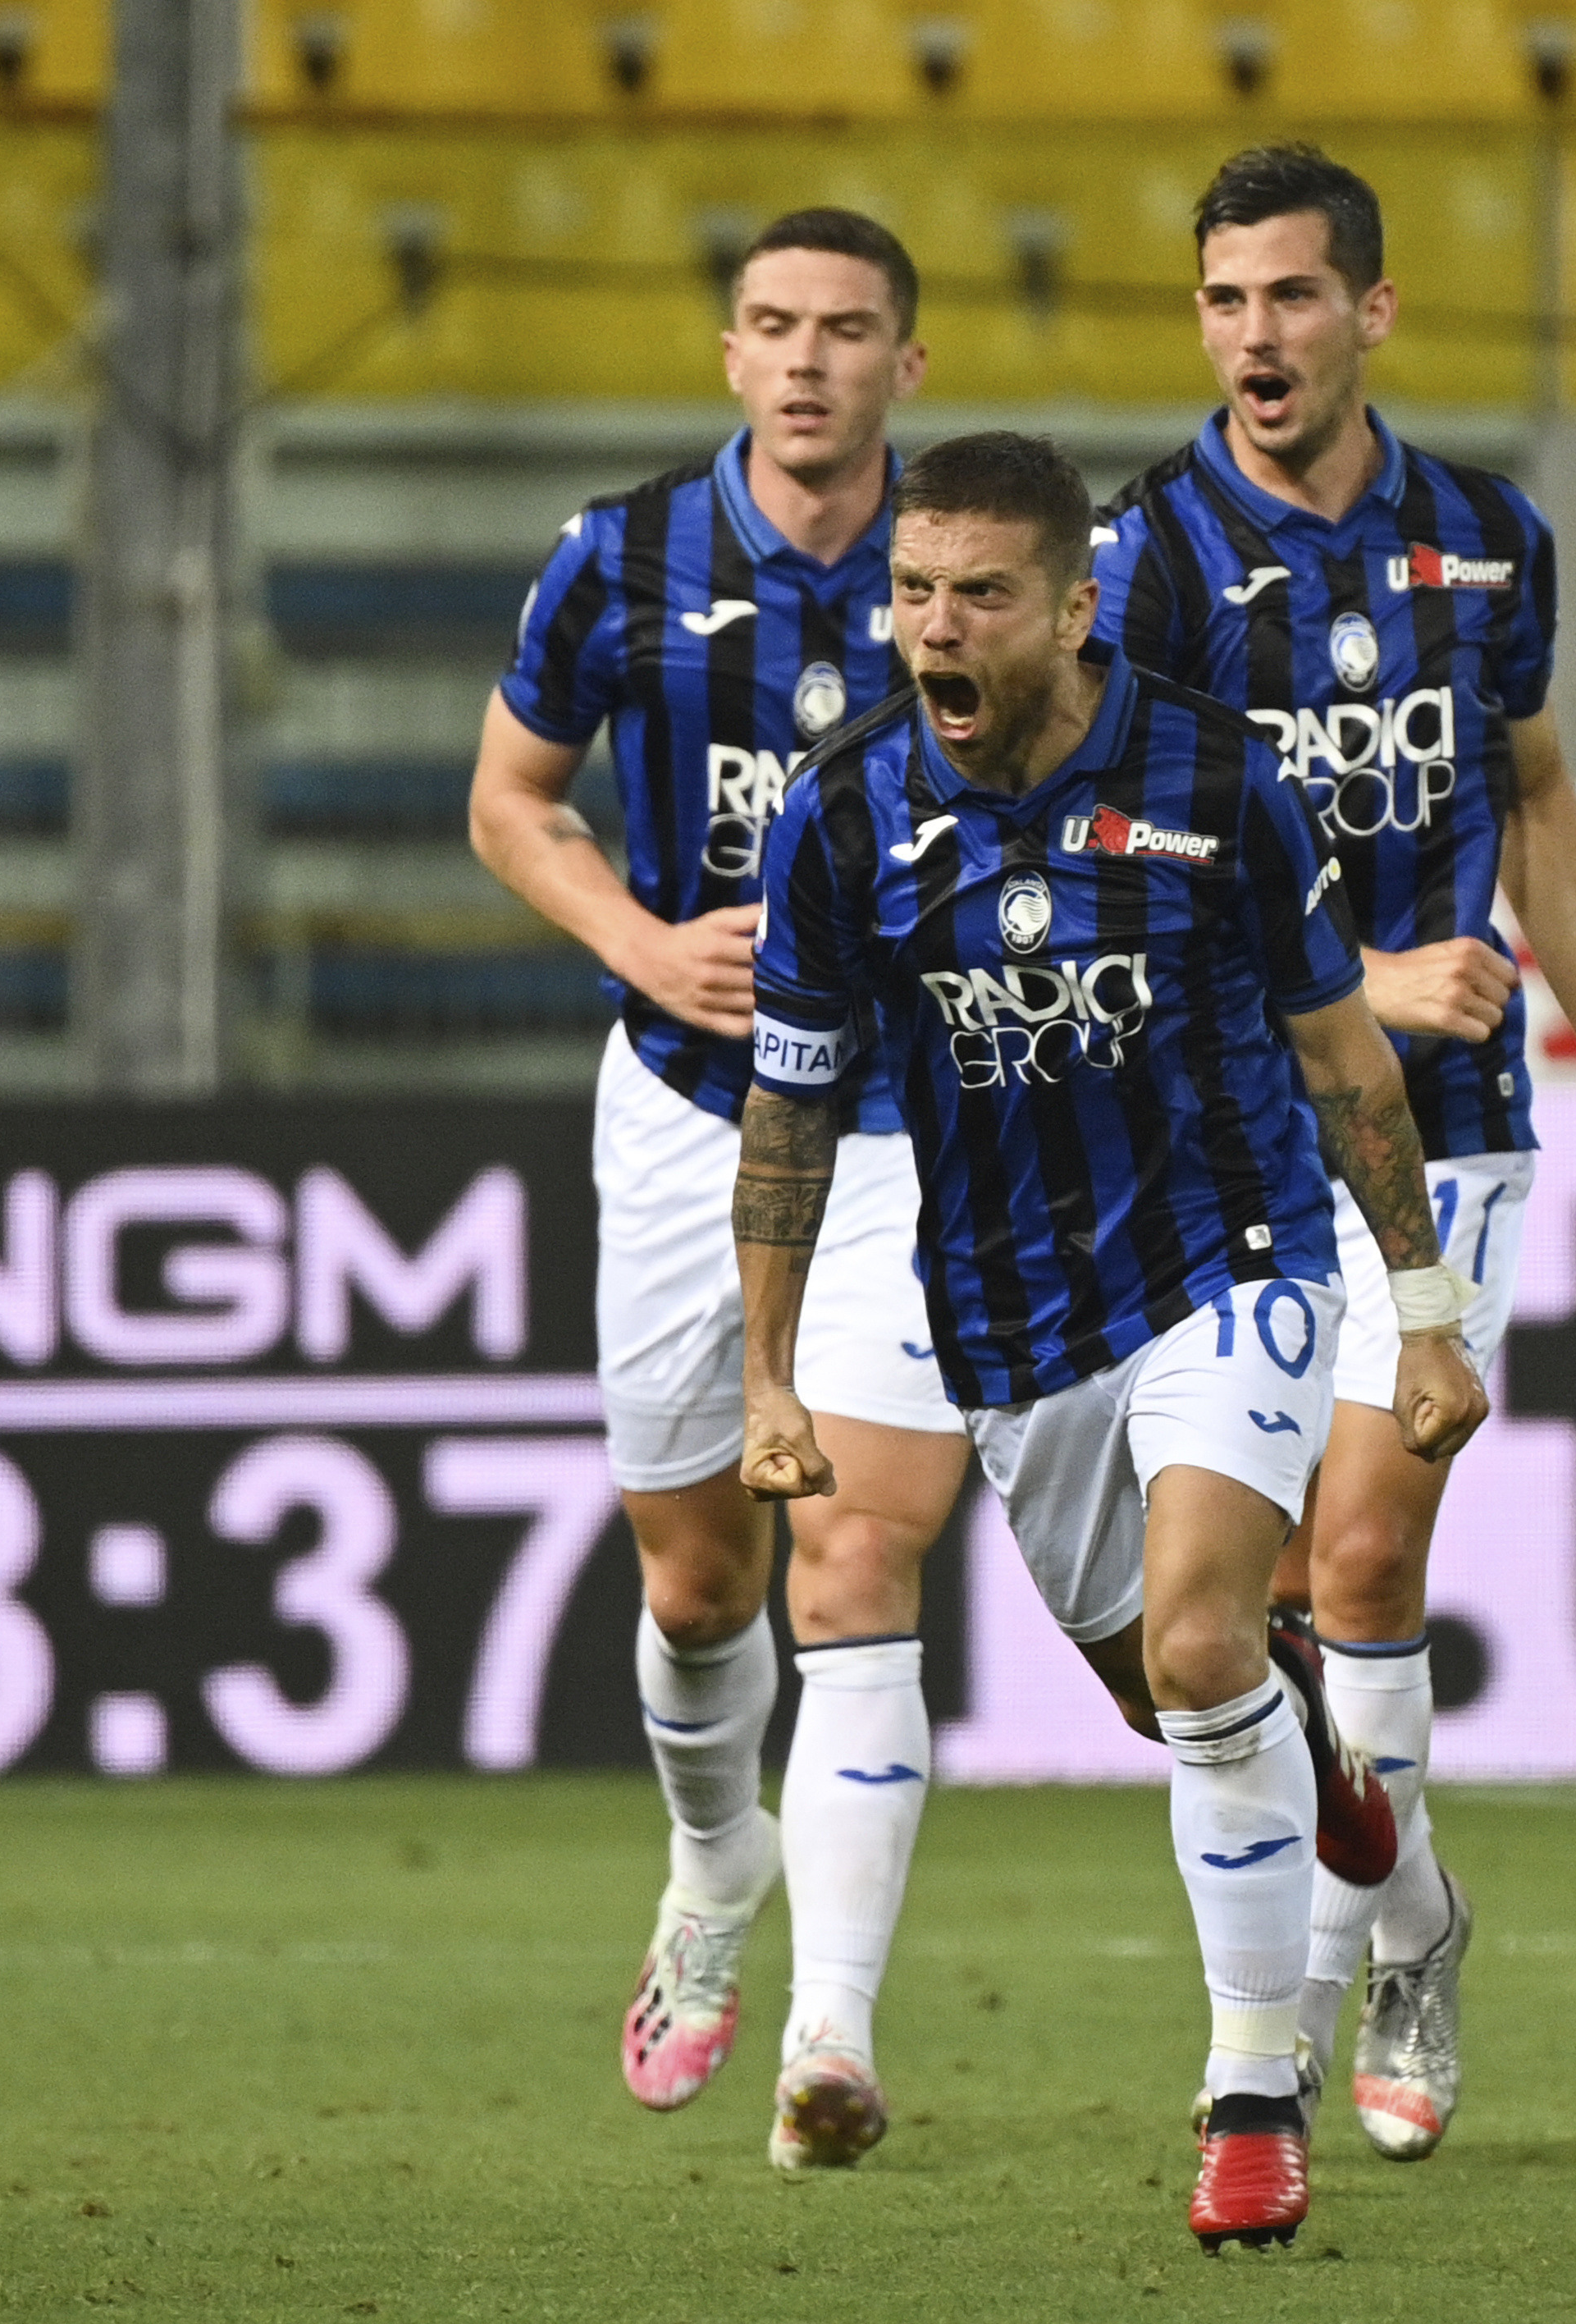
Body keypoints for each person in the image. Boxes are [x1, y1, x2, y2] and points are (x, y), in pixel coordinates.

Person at [733, 429, 1491, 2253]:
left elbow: (1343, 1058)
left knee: (1201, 1636)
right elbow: (792, 1110)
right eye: (914, 592)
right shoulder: (842, 814)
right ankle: (1330, 1769)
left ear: (1076, 609)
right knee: (1174, 1696)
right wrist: (767, 1374)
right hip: (1010, 1319)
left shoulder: (1218, 779)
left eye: (981, 594)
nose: (937, 626)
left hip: (1233, 1259)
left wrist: (1423, 1314)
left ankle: (1252, 2100)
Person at [1090, 143, 1576, 2159]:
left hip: (1446, 1128)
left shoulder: (1487, 538)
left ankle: (1340, 1993)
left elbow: (1535, 797)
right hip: (1228, 1134)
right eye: (1222, 300)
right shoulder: (1145, 558)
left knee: (1360, 1551)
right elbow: (1124, 850)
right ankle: (1417, 1910)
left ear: (1370, 310)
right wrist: (1357, 971)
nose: (1252, 334)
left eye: (1289, 295)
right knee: (1257, 1592)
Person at [466, 208, 976, 2152]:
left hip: (906, 1131)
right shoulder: (622, 556)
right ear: (731, 354)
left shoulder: (984, 571)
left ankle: (830, 2037)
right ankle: (710, 1867)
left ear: (904, 366)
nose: (808, 359)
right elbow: (510, 800)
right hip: (690, 1107)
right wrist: (639, 943)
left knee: (854, 1556)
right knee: (697, 1586)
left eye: (846, 329)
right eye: (774, 325)